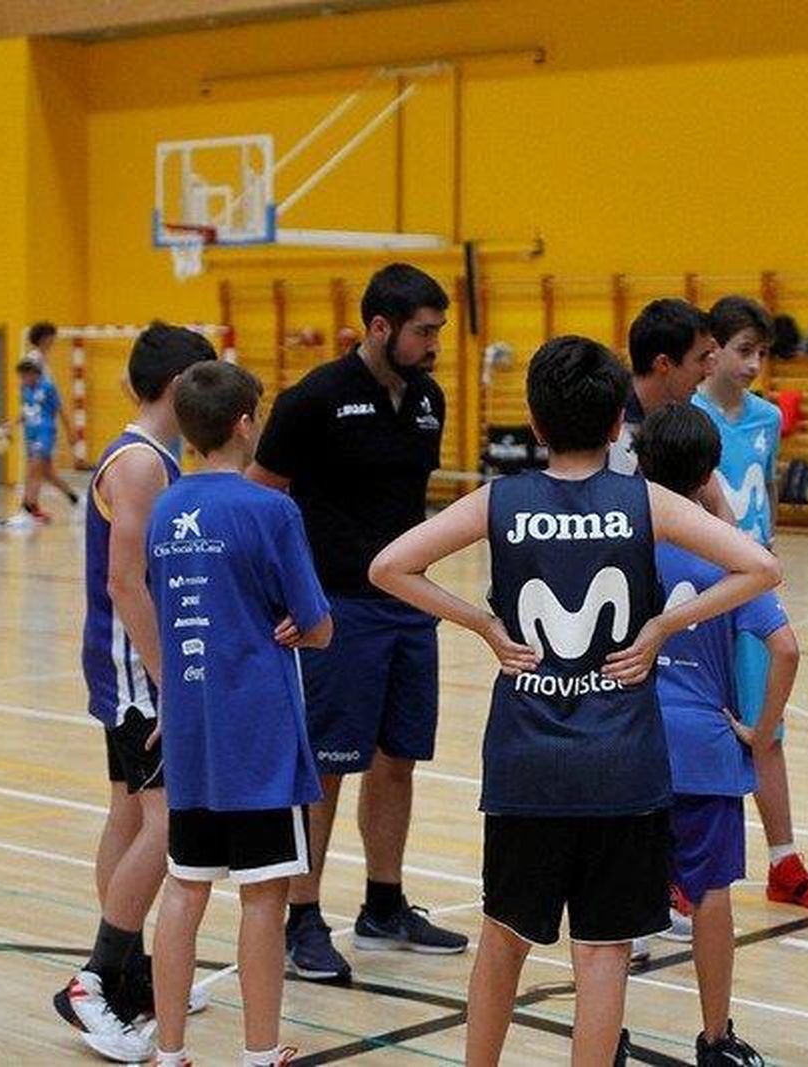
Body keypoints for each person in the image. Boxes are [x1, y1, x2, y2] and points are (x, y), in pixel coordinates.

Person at [368, 335, 780, 1067]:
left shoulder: (502, 499)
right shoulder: (643, 501)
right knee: (601, 952)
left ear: (534, 421)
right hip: (622, 763)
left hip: (528, 761)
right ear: (620, 424)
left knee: (504, 935)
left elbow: (389, 565)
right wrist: (661, 625)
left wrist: (482, 624)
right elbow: (760, 564)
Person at [249, 263, 468, 981]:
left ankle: (383, 903)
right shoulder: (313, 399)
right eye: (424, 330)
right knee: (329, 765)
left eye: (438, 329)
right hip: (336, 608)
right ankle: (302, 917)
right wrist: (285, 598)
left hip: (409, 605)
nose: (436, 342)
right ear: (381, 328)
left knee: (397, 757)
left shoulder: (430, 397)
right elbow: (261, 501)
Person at [147, 361, 332, 1067]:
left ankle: (170, 1051)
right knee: (264, 893)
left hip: (192, 727)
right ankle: (259, 1051)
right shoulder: (271, 509)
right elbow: (315, 624)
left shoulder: (166, 507)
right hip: (260, 730)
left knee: (185, 884)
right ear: (244, 423)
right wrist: (301, 623)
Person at [56, 323, 217, 1063]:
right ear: (181, 385)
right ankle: (95, 978)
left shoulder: (150, 458)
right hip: (135, 668)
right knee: (168, 820)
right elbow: (126, 582)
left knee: (129, 811)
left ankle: (128, 970)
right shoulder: (141, 466)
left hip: (121, 663)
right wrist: (170, 683)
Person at [636, 401, 797, 1065]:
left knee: (619, 902)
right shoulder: (731, 562)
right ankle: (714, 1038)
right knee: (708, 899)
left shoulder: (622, 547)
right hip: (703, 747)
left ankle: (603, 1033)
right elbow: (785, 647)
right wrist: (761, 733)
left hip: (629, 743)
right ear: (710, 474)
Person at [693, 295, 808, 914]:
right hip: (700, 593)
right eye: (744, 351)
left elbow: (771, 494)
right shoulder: (688, 414)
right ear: (713, 350)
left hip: (753, 588)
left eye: (761, 352)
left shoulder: (765, 419)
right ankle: (684, 868)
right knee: (700, 728)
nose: (755, 364)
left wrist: (770, 554)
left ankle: (785, 863)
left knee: (766, 731)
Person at [608, 298, 717, 476]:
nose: (709, 370)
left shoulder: (689, 423)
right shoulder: (603, 420)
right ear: (664, 364)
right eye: (701, 358)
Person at [0, 355, 80, 524]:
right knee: (48, 474)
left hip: (45, 433)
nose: (23, 379)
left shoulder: (47, 387)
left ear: (35, 374)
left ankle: (28, 509)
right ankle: (75, 499)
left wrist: (70, 431)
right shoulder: (24, 389)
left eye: (26, 375)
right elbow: (26, 412)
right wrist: (11, 425)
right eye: (21, 376)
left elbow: (60, 409)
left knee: (33, 469)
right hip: (30, 434)